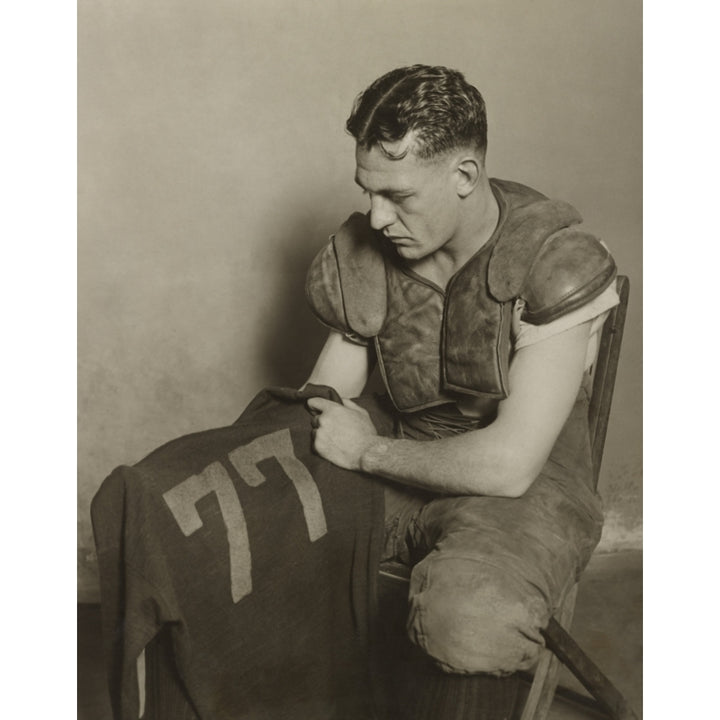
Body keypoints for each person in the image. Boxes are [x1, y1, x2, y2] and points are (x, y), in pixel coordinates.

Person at [302, 64, 619, 719]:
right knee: (257, 537)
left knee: (472, 616)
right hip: (405, 446)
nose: (375, 215)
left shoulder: (552, 257)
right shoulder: (366, 250)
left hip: (530, 481)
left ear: (464, 177)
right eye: (367, 191)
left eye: (399, 196)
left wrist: (366, 454)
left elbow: (509, 465)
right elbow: (324, 400)